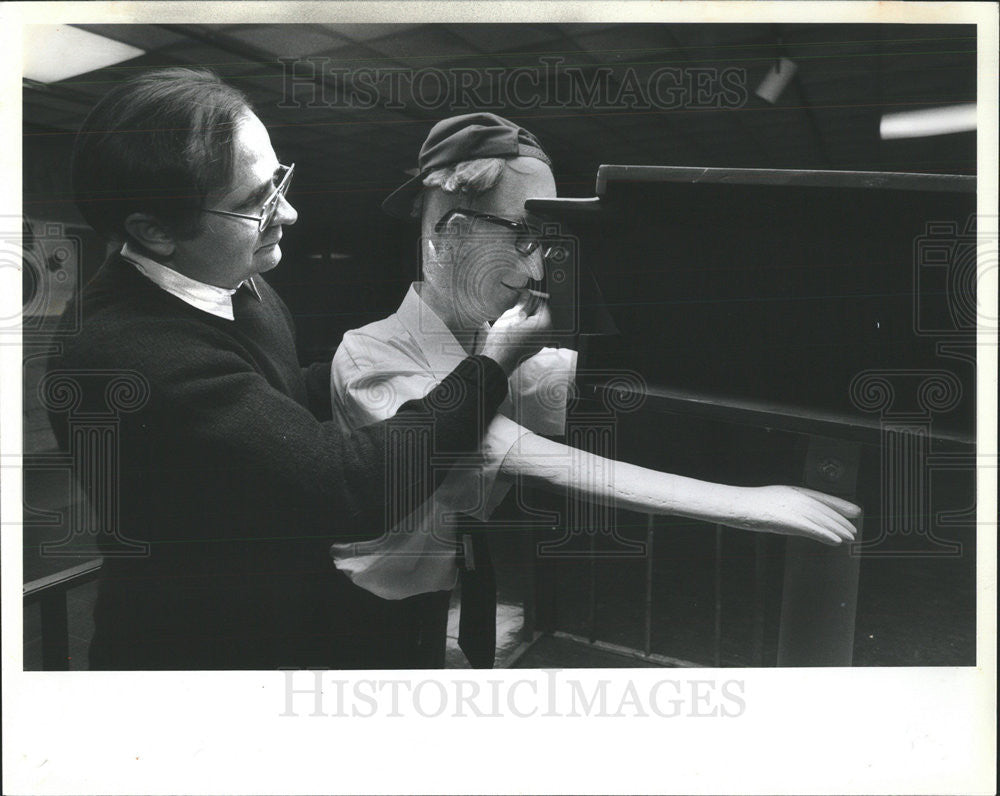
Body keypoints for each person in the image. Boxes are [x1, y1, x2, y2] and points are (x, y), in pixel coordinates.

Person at [46, 72, 548, 670]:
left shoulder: (236, 281)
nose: (289, 211)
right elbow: (343, 487)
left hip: (281, 619)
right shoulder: (133, 357)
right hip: (202, 658)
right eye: (254, 203)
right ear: (153, 232)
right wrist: (491, 365)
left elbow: (269, 397)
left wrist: (382, 354)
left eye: (278, 180)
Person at [329, 113, 863, 669]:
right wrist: (749, 504)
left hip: (442, 581)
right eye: (522, 233)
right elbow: (533, 457)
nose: (536, 266)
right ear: (449, 230)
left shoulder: (491, 348)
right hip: (363, 598)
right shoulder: (370, 355)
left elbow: (631, 376)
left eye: (546, 239)